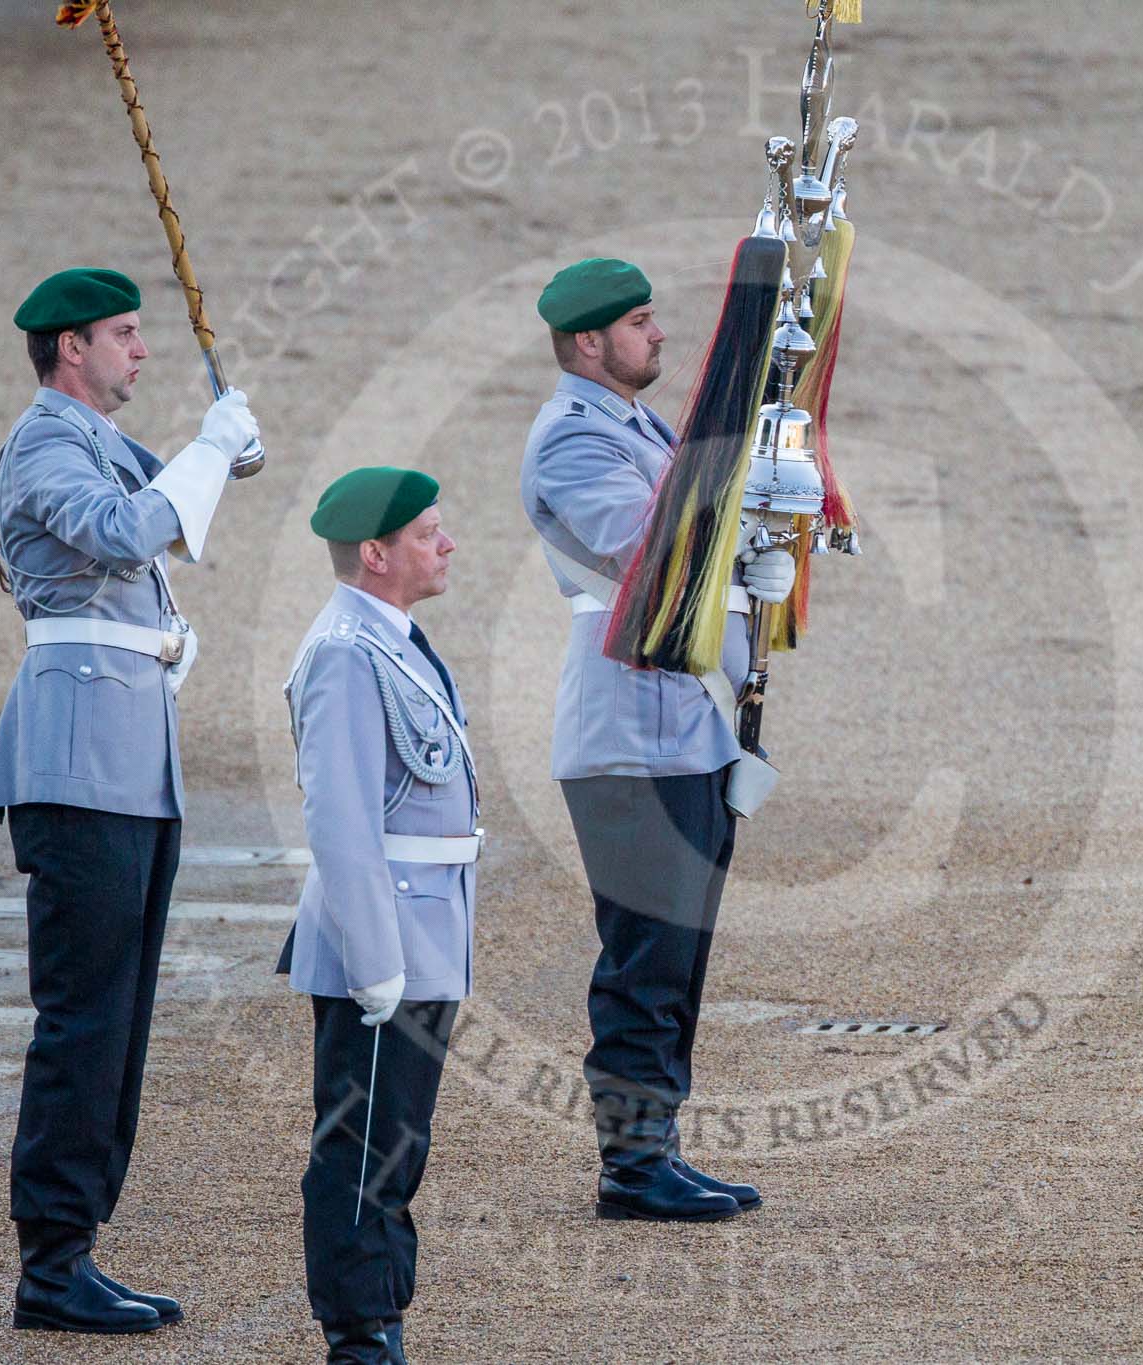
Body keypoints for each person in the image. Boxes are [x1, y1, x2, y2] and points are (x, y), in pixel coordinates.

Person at [0, 267, 260, 1333]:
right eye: (122, 334)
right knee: (84, 1019)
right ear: (68, 350)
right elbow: (127, 531)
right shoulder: (47, 444)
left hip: (128, 760)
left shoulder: (91, 439)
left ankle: (76, 1247)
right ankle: (51, 1263)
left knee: (119, 1021)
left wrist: (222, 450)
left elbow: (181, 509)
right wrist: (209, 446)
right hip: (78, 761)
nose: (141, 350)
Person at [520, 257, 796, 1222]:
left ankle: (656, 1146)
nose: (659, 334)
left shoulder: (629, 424)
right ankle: (632, 1165)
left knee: (677, 957)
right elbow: (657, 547)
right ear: (590, 341)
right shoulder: (570, 440)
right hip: (627, 733)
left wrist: (758, 542)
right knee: (645, 958)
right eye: (641, 322)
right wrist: (745, 499)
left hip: (683, 728)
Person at [279, 466, 477, 1365]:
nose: (445, 545)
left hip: (423, 930)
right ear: (375, 553)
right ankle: (359, 1334)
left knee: (398, 1146)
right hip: (385, 935)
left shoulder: (391, 636)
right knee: (363, 1151)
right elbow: (340, 818)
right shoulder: (347, 653)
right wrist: (373, 958)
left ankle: (381, 1319)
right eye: (428, 532)